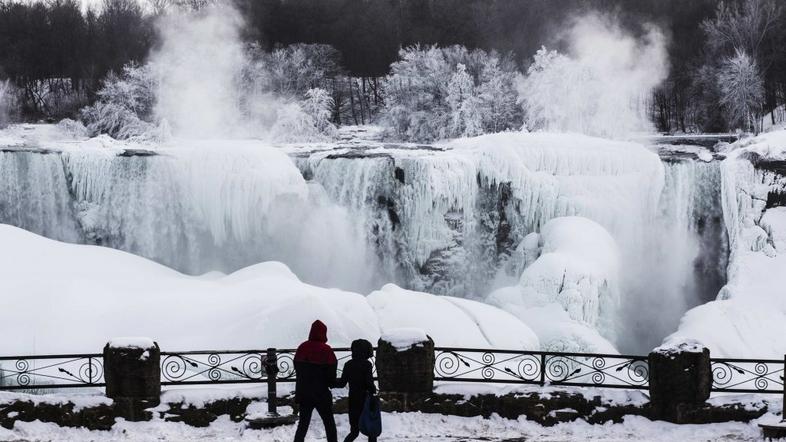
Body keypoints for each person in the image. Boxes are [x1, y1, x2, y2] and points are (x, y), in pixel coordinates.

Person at [293, 320, 338, 442]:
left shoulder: (302, 347)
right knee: (329, 424)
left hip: (304, 393)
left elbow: (297, 368)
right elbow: (331, 377)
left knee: (303, 425)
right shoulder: (327, 350)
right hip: (321, 394)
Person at [334, 339, 377, 442]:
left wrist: (330, 382)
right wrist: (373, 390)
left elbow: (341, 383)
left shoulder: (348, 364)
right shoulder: (367, 365)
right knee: (371, 431)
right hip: (365, 400)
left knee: (354, 431)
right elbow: (369, 383)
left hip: (353, 399)